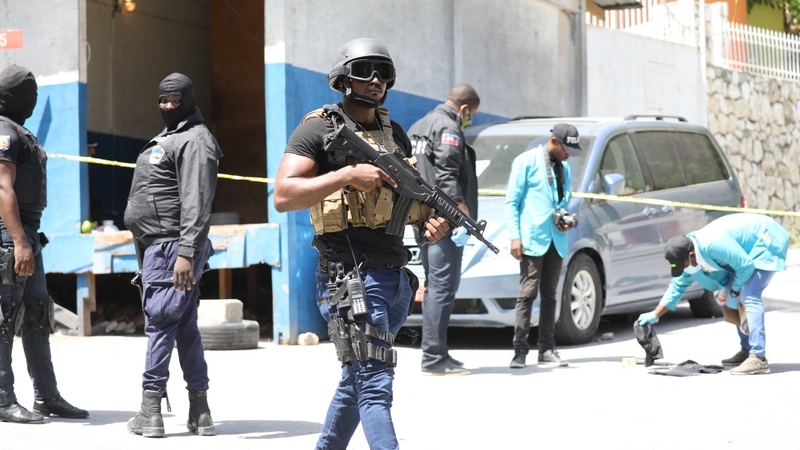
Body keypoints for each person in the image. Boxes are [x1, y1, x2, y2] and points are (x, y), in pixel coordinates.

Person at [273, 38, 448, 450]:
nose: (375, 80)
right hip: (348, 276)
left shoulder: (395, 134)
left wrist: (433, 223)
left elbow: (407, 208)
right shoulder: (318, 127)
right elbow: (283, 195)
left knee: (358, 381)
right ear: (342, 77)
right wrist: (347, 176)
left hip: (393, 278)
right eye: (365, 70)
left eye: (383, 72)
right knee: (374, 384)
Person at [124, 73, 222, 437]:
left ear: (189, 99)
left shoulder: (196, 140)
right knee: (184, 328)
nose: (167, 106)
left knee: (160, 324)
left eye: (175, 100)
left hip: (171, 249)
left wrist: (186, 252)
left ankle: (150, 412)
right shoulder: (171, 137)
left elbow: (198, 201)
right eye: (162, 100)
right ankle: (201, 411)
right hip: (162, 248)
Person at [0, 65, 88, 423]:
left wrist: (28, 239)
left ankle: (47, 396)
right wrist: (19, 241)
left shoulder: (20, 131)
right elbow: (2, 188)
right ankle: (4, 399)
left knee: (37, 314)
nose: (35, 100)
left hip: (29, 233)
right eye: (30, 93)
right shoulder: (4, 131)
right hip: (11, 234)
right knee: (6, 317)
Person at [637, 213, 789, 375]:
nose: (685, 271)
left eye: (684, 266)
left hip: (766, 239)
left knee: (749, 294)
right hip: (744, 253)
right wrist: (655, 314)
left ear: (692, 255)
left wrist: (735, 291)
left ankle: (758, 358)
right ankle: (747, 349)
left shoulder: (712, 244)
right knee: (732, 295)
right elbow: (676, 287)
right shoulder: (686, 252)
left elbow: (745, 267)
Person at [408, 84, 480, 376]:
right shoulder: (448, 126)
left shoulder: (418, 126)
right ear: (464, 109)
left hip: (422, 217)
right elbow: (447, 173)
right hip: (444, 221)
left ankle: (439, 353)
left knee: (435, 286)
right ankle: (434, 359)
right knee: (442, 288)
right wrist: (461, 211)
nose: (468, 119)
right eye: (471, 115)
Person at [505, 124, 582, 369]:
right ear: (554, 142)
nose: (569, 153)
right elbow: (512, 202)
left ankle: (547, 349)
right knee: (527, 295)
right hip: (531, 239)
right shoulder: (525, 161)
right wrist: (515, 237)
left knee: (550, 296)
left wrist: (564, 219)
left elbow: (564, 199)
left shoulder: (564, 167)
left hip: (555, 239)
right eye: (567, 148)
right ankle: (519, 351)